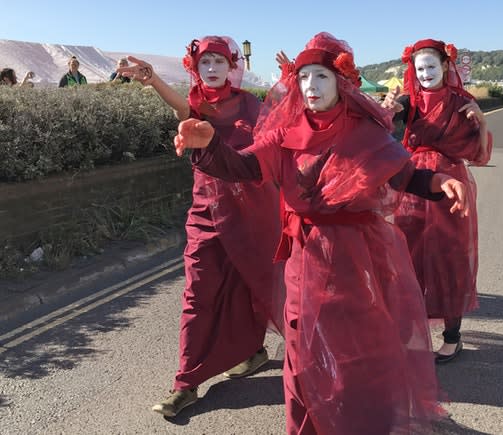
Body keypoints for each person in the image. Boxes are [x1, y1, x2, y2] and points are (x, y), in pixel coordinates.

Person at [174, 32, 470, 434]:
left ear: (340, 82)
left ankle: (361, 420)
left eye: (321, 77)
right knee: (301, 353)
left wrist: (440, 182)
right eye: (304, 77)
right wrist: (209, 146)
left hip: (356, 255)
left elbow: (404, 174)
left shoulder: (364, 131)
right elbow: (244, 167)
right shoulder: (286, 132)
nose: (311, 87)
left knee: (354, 347)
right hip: (304, 255)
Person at [119, 36, 283, 418]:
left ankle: (254, 352)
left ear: (231, 67)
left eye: (218, 62)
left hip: (249, 212)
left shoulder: (251, 105)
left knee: (248, 283)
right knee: (198, 293)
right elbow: (186, 111)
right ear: (195, 67)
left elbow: (273, 143)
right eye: (204, 62)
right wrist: (154, 80)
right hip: (206, 213)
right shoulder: (198, 105)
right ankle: (185, 384)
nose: (211, 68)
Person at [383, 38, 492, 364]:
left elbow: (479, 155)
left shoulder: (462, 102)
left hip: (451, 186)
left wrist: (482, 122)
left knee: (450, 258)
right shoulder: (405, 101)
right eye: (420, 68)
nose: (426, 73)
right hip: (413, 185)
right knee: (410, 257)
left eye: (431, 66)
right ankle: (411, 334)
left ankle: (452, 337)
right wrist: (385, 114)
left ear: (446, 66)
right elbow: (384, 143)